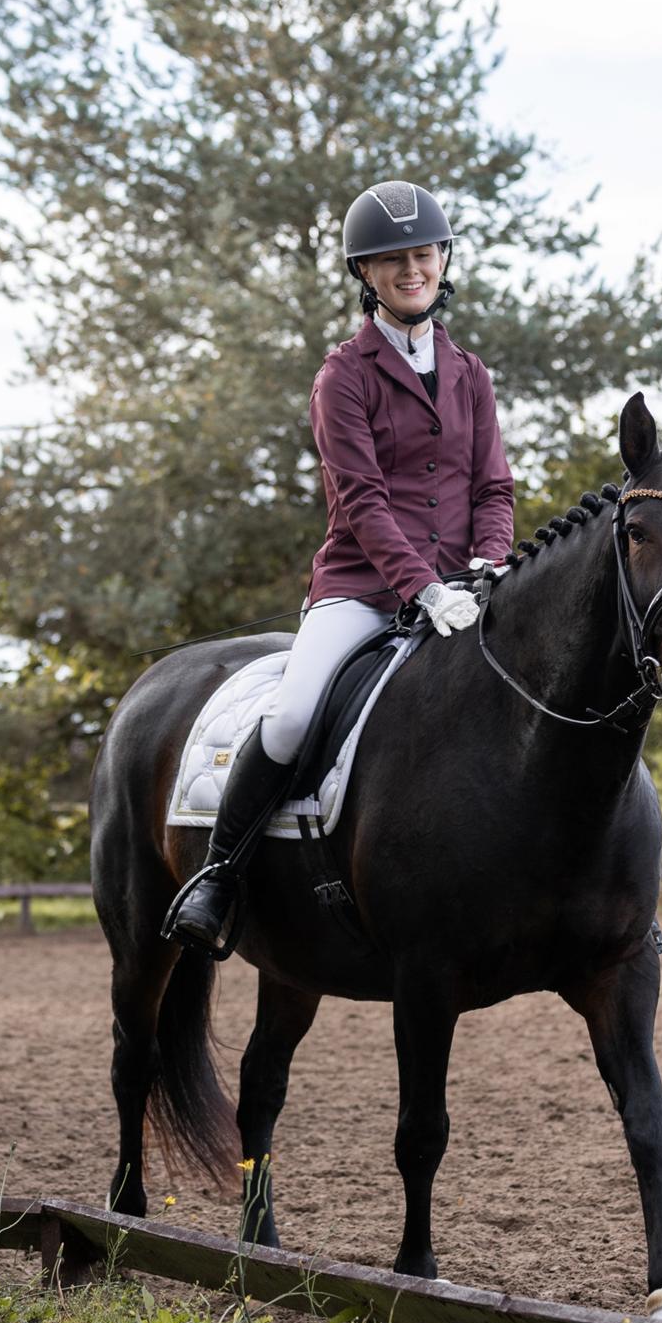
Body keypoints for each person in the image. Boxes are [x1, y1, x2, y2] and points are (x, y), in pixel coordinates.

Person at [163, 180, 515, 952]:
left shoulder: (471, 375)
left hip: (466, 588)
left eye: (421, 255)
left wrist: (488, 561)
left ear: (442, 259)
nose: (410, 271)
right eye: (392, 261)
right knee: (290, 717)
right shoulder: (343, 377)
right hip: (361, 587)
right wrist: (419, 587)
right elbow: (360, 499)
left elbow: (493, 486)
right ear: (366, 274)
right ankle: (219, 876)